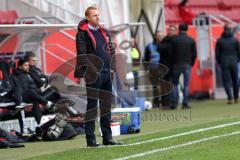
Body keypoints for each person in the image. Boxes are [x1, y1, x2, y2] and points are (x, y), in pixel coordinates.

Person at [74, 6, 122, 147]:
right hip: (93, 74)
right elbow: (82, 54)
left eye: (98, 15)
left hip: (107, 73)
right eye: (94, 15)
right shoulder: (82, 34)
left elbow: (111, 50)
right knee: (92, 107)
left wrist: (112, 68)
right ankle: (91, 139)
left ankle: (107, 137)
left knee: (106, 107)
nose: (98, 17)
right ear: (87, 17)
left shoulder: (103, 31)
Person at [14, 59, 53, 130]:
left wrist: (44, 84)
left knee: (53, 89)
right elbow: (25, 90)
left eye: (28, 65)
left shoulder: (29, 73)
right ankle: (48, 104)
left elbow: (40, 83)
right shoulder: (20, 76)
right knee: (33, 97)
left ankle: (42, 124)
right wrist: (39, 90)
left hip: (35, 94)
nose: (28, 67)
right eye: (25, 65)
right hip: (26, 96)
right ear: (20, 67)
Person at [170, 23, 197, 109]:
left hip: (176, 65)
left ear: (178, 29)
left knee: (175, 84)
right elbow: (195, 54)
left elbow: (170, 53)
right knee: (186, 85)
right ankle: (185, 103)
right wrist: (191, 63)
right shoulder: (191, 40)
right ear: (187, 29)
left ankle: (174, 103)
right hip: (187, 65)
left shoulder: (174, 40)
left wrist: (173, 62)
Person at [215, 23, 240, 104]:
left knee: (226, 81)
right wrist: (237, 60)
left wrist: (220, 62)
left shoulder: (219, 40)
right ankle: (236, 98)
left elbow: (217, 53)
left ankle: (230, 98)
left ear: (224, 29)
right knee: (235, 80)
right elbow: (239, 52)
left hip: (224, 62)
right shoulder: (235, 40)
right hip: (234, 62)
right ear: (230, 30)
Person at [160, 25, 177, 109]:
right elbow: (159, 48)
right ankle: (165, 103)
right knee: (164, 85)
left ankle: (173, 103)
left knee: (173, 85)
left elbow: (168, 50)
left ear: (175, 31)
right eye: (169, 30)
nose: (170, 31)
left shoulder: (176, 40)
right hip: (164, 66)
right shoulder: (165, 39)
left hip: (173, 66)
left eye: (172, 30)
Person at [144, 31, 163, 108]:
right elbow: (146, 59)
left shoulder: (164, 45)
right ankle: (156, 102)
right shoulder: (149, 46)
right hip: (153, 68)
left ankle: (164, 102)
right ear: (155, 37)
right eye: (158, 36)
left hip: (163, 67)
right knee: (155, 85)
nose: (160, 37)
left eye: (161, 36)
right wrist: (147, 70)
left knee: (163, 85)